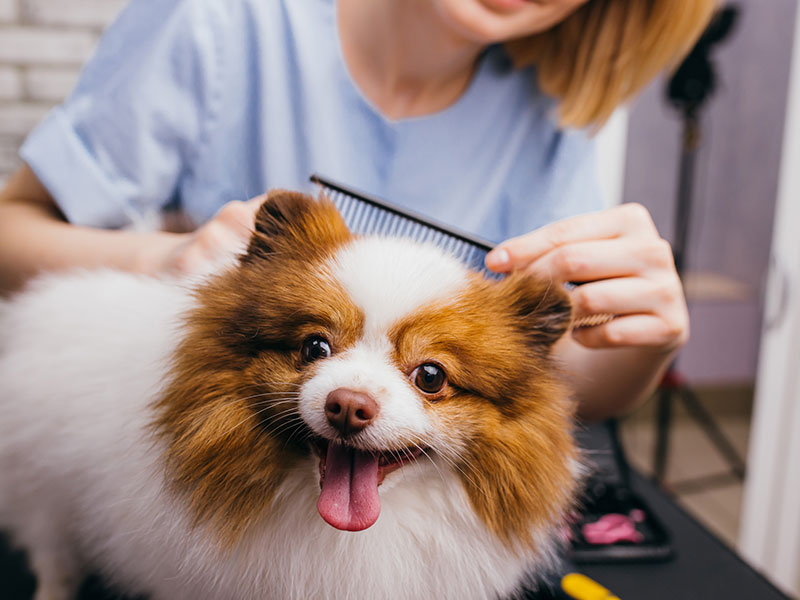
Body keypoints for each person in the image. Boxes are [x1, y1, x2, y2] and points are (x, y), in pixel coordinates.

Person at [0, 0, 715, 421]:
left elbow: (553, 389)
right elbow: (11, 231)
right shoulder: (219, 23)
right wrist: (164, 262)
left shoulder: (549, 120)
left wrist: (643, 347)